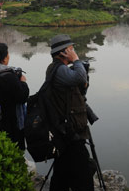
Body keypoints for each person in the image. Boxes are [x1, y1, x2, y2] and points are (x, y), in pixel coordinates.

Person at [42, 33, 94, 191]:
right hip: (70, 134)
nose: (73, 51)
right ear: (63, 52)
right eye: (71, 49)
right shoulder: (59, 70)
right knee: (84, 172)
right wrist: (77, 60)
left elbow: (78, 89)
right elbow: (78, 77)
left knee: (62, 171)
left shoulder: (59, 69)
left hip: (64, 132)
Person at [0, 42, 29, 149]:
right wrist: (23, 82)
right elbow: (23, 97)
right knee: (15, 150)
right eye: (8, 54)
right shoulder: (8, 76)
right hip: (10, 122)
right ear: (4, 59)